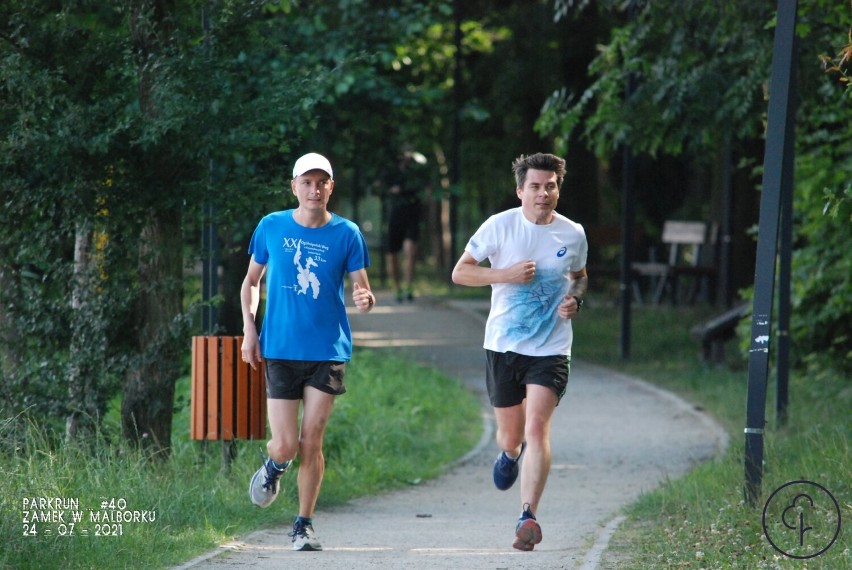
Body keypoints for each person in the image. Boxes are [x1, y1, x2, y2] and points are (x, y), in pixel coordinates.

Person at [451, 152, 588, 552]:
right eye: (535, 186)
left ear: (558, 189)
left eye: (551, 186)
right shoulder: (499, 227)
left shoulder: (572, 233)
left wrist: (576, 302)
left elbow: (579, 279)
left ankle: (527, 515)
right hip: (503, 345)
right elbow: (460, 272)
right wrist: (504, 274)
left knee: (537, 428)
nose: (543, 193)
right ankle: (509, 455)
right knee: (511, 436)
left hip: (552, 347)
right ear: (520, 190)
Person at [241, 152, 376, 552]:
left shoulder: (347, 233)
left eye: (322, 182)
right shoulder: (272, 226)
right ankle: (274, 466)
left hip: (327, 350)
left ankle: (304, 525)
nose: (314, 189)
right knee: (284, 444)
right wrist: (250, 331)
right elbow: (251, 281)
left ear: (331, 187)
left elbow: (361, 286)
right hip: (280, 348)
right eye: (307, 182)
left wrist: (364, 296)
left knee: (312, 439)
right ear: (295, 186)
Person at [384, 147, 427, 302]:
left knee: (410, 252)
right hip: (394, 217)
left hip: (412, 217)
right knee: (392, 256)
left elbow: (424, 189)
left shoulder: (416, 174)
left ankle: (408, 286)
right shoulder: (390, 173)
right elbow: (381, 187)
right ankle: (397, 288)